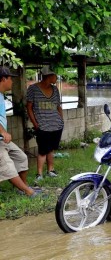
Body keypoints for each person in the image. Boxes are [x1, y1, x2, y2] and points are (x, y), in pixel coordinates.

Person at [0, 67, 41, 196]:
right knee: (7, 166)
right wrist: (3, 132)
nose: (12, 82)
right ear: (3, 79)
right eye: (10, 78)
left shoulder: (1, 95)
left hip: (2, 140)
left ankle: (21, 189)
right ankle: (28, 192)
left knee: (21, 158)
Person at [26, 66, 64, 181]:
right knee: (42, 150)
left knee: (51, 149)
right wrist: (35, 123)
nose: (56, 77)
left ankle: (51, 170)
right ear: (48, 76)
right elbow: (29, 108)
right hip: (42, 125)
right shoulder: (33, 89)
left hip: (56, 125)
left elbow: (58, 106)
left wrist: (61, 120)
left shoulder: (55, 89)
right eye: (54, 75)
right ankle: (39, 174)